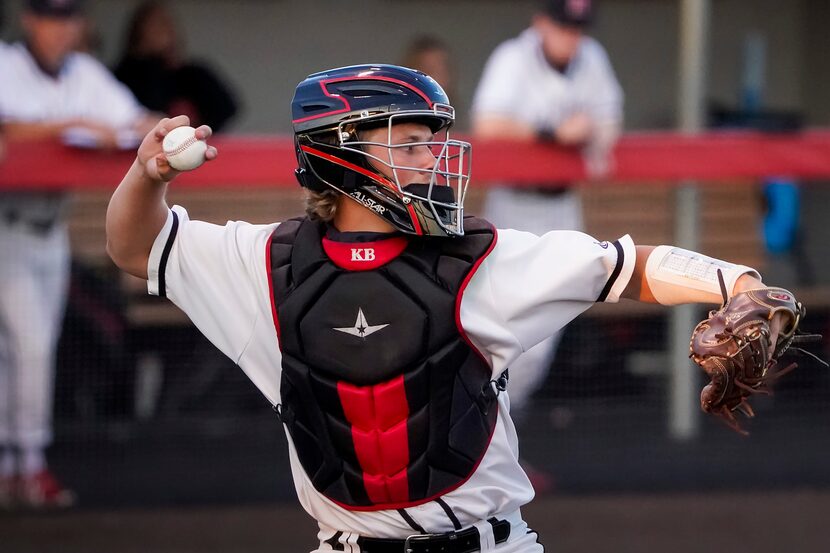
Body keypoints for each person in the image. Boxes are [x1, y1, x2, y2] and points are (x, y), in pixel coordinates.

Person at [106, 64, 792, 552]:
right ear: (341, 160)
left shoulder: (479, 255)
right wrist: (148, 174)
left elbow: (627, 264)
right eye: (409, 145)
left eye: (432, 141)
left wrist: (738, 281)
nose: (434, 160)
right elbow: (136, 245)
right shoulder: (263, 264)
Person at [0, 0, 156, 510]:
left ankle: (17, 466)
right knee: (28, 345)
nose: (58, 27)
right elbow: (10, 129)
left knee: (25, 347)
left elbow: (134, 120)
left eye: (67, 17)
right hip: (6, 226)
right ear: (29, 19)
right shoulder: (6, 64)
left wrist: (160, 126)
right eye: (49, 15)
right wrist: (79, 124)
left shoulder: (84, 73)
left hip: (49, 229)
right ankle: (28, 461)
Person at [470, 0, 623, 459]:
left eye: (577, 27)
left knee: (543, 338)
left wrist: (592, 131)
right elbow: (487, 123)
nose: (571, 35)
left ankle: (501, 448)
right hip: (514, 205)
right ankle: (479, 446)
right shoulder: (512, 58)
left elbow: (610, 122)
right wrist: (552, 133)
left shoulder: (592, 58)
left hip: (561, 207)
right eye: (562, 26)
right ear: (541, 23)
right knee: (497, 324)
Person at [114, 0, 239, 133]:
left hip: (191, 147)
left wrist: (198, 132)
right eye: (153, 27)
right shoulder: (125, 74)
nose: (161, 32)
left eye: (164, 25)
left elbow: (227, 107)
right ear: (139, 33)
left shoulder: (194, 74)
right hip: (145, 149)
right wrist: (149, 60)